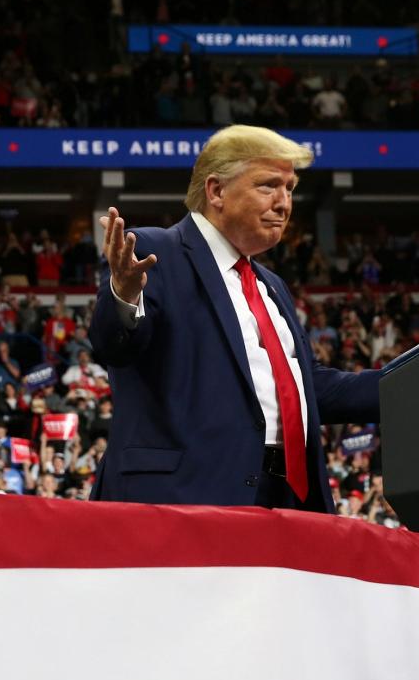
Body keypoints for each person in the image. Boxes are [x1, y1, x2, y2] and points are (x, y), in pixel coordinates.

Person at [89, 124, 380, 510]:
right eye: (268, 186)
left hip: (287, 499)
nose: (284, 203)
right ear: (217, 191)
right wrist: (123, 294)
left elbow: (311, 390)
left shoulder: (271, 285)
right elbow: (113, 344)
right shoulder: (153, 253)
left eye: (290, 189)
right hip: (186, 499)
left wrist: (414, 382)